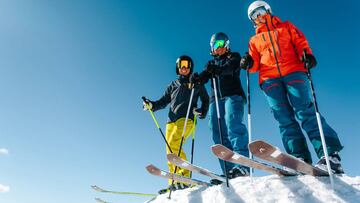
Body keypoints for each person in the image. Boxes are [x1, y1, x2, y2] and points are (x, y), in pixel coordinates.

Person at [241, 0, 344, 173]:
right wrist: (248, 63)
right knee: (283, 118)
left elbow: (301, 43)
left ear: (268, 11)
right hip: (269, 79)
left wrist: (307, 55)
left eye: (260, 12)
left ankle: (330, 155)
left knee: (305, 111)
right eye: (254, 16)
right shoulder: (254, 40)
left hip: (294, 71)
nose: (259, 17)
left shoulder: (286, 27)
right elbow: (254, 65)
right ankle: (298, 157)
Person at [143, 55, 209, 194]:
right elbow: (163, 101)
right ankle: (174, 181)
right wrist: (152, 104)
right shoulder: (172, 85)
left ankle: (184, 178)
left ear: (190, 67)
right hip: (171, 121)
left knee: (174, 143)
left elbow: (205, 99)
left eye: (187, 65)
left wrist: (202, 111)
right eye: (181, 65)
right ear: (177, 67)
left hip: (187, 119)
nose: (184, 68)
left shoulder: (195, 82)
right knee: (170, 151)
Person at [192, 32, 250, 181]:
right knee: (217, 131)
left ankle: (242, 165)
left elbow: (231, 68)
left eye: (221, 43)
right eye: (215, 44)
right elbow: (205, 75)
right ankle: (229, 170)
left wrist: (217, 70)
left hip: (233, 95)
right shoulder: (210, 64)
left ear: (227, 45)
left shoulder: (234, 57)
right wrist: (198, 79)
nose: (219, 47)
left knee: (233, 123)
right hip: (216, 99)